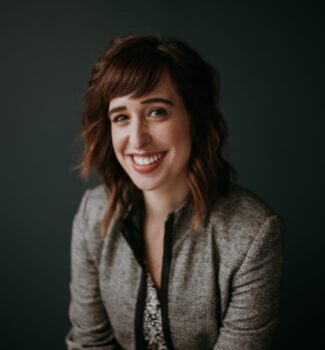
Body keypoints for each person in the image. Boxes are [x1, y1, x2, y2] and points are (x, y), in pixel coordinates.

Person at [66, 34, 285, 350]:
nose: (137, 139)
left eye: (156, 112)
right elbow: (89, 344)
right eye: (121, 117)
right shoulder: (94, 214)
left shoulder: (253, 235)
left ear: (195, 119)